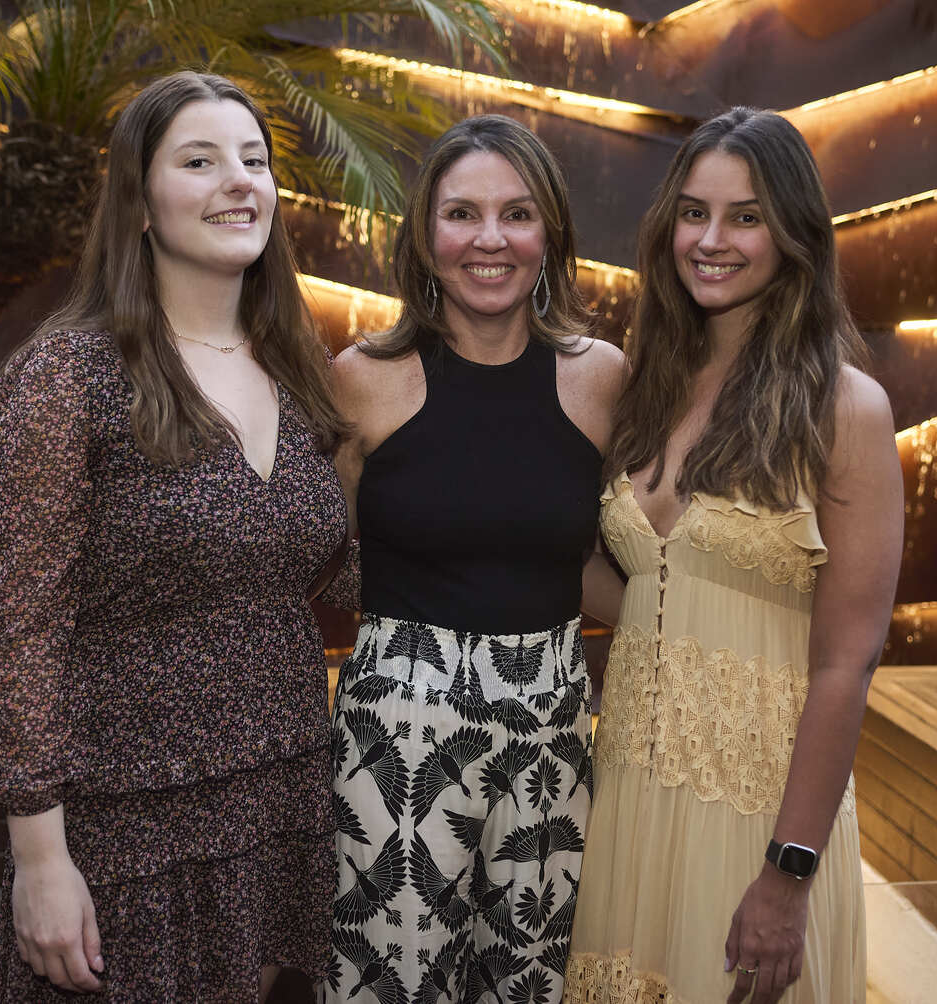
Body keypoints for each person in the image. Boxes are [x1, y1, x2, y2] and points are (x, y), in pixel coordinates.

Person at [0, 71, 354, 1001]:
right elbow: (21, 626)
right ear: (139, 203)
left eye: (254, 160)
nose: (240, 181)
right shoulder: (68, 377)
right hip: (131, 827)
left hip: (285, 799)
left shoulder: (300, 369)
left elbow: (337, 572)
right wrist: (40, 856)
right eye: (200, 161)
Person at [564, 107, 903, 1004]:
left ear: (793, 233)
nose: (711, 241)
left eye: (746, 216)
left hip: (757, 816)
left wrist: (787, 874)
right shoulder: (649, 385)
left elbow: (846, 662)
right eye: (694, 212)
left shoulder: (846, 408)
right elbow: (645, 589)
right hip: (630, 795)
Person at [326, 114, 627, 1002]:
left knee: (533, 981)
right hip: (398, 728)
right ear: (424, 237)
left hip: (553, 728)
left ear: (551, 236)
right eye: (462, 213)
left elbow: (596, 557)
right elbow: (331, 558)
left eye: (517, 213)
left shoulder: (601, 376)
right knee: (397, 981)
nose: (489, 239)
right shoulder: (362, 377)